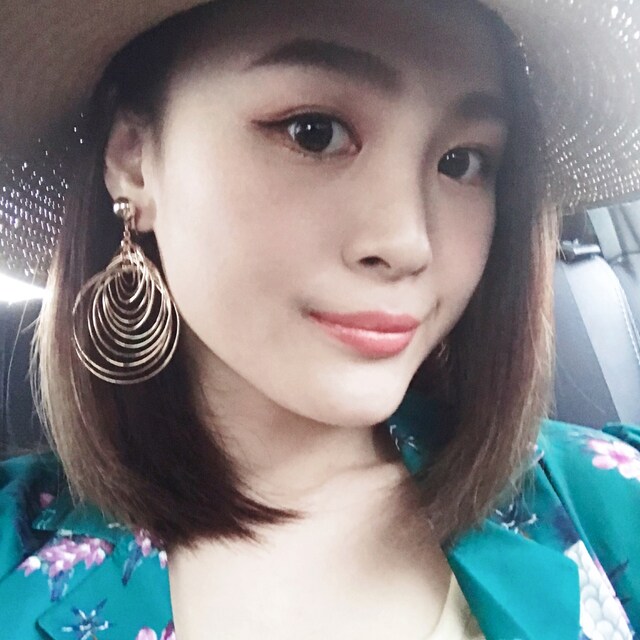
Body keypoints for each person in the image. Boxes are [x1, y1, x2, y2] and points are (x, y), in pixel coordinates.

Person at [0, 0, 638, 637]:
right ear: (134, 161)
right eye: (314, 132)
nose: (408, 242)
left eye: (462, 161)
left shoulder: (609, 503)